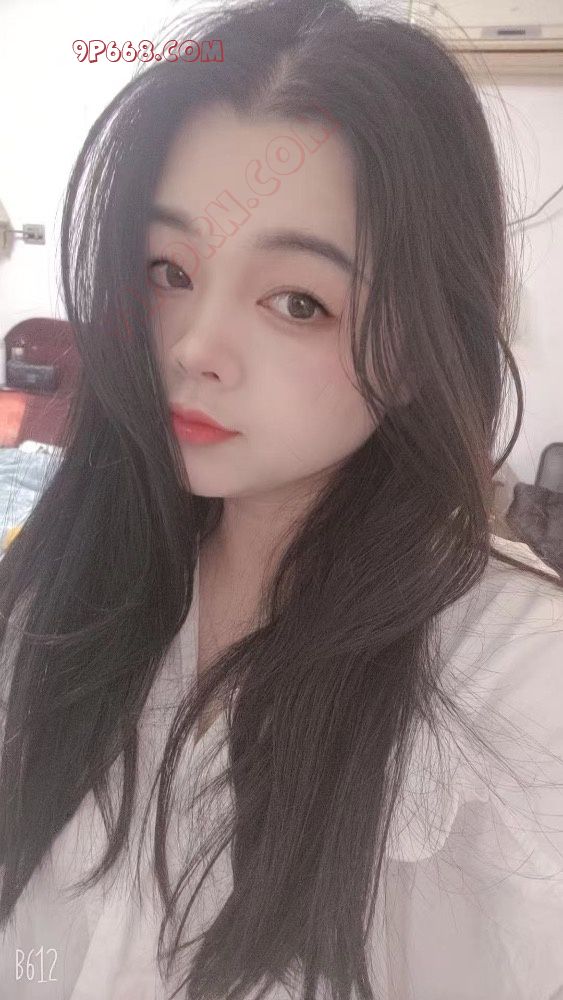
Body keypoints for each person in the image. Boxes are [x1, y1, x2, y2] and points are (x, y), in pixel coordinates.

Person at [1, 0, 562, 997]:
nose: (193, 347)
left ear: (420, 338)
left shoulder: (515, 695)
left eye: (297, 300)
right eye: (168, 270)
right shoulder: (76, 578)